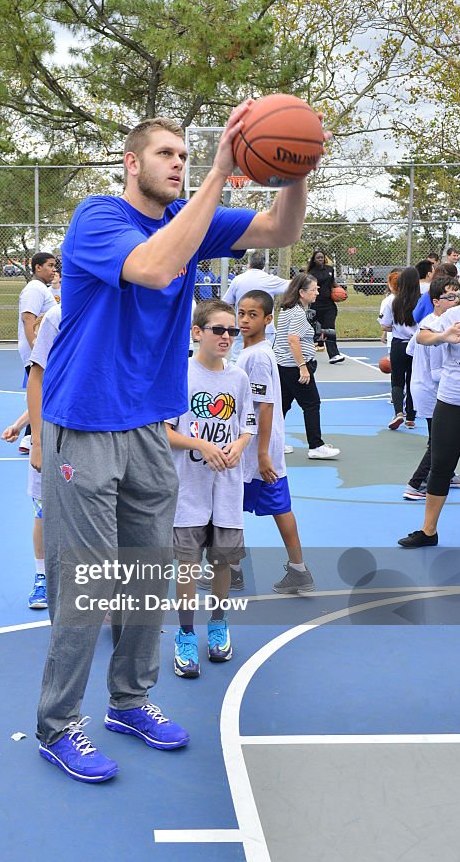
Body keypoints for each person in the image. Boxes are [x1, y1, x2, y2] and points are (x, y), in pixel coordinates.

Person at [35, 105, 325, 783]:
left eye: (187, 156)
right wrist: (221, 172)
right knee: (87, 586)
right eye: (166, 153)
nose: (179, 163)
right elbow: (156, 270)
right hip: (85, 423)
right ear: (132, 164)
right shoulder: (99, 218)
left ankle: (129, 701)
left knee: (144, 578)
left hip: (148, 429)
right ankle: (57, 725)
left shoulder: (187, 221)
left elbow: (282, 226)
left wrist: (299, 166)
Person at [166, 299, 254, 679]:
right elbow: (164, 431)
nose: (227, 337)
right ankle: (185, 633)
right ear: (197, 332)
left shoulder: (238, 379)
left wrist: (239, 445)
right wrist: (201, 445)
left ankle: (218, 623)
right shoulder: (179, 376)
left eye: (232, 331)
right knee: (187, 564)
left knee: (222, 561)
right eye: (219, 330)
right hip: (188, 488)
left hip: (227, 488)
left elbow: (247, 424)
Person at [237, 290, 316, 592]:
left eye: (253, 314)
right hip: (256, 447)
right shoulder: (253, 350)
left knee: (229, 505)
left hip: (255, 449)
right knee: (274, 506)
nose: (245, 319)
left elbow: (264, 405)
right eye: (241, 313)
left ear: (268, 319)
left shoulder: (257, 355)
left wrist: (261, 453)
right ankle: (297, 568)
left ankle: (233, 569)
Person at [397, 291, 460, 547]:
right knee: (440, 468)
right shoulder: (456, 314)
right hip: (453, 403)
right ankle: (428, 532)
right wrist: (442, 336)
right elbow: (422, 336)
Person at [3, 304, 62, 610]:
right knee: (42, 514)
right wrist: (25, 429)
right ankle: (42, 577)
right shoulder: (43, 370)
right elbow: (38, 397)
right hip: (50, 443)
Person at [403, 277, 460, 499]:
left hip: (425, 386)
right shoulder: (446, 328)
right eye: (449, 297)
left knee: (441, 445)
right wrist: (442, 338)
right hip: (436, 391)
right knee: (438, 445)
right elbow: (436, 371)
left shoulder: (432, 322)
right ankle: (416, 484)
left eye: (457, 295)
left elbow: (410, 350)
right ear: (436, 301)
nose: (455, 300)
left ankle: (447, 474)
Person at [273, 273, 340, 460]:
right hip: (294, 367)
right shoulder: (297, 313)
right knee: (311, 404)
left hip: (283, 365)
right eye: (314, 289)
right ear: (302, 292)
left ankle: (273, 442)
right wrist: (302, 366)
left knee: (282, 406)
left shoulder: (288, 309)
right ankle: (315, 445)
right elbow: (292, 339)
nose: (317, 292)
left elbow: (293, 337)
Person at [17, 252, 57, 451]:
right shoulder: (34, 289)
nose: (53, 269)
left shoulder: (43, 289)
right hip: (38, 354)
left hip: (44, 353)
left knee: (43, 394)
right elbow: (28, 319)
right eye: (49, 265)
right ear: (37, 267)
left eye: (54, 265)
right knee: (41, 393)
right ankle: (33, 439)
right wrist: (37, 350)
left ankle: (29, 438)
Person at [222, 249, 289, 361]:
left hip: (242, 325)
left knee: (238, 360)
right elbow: (291, 285)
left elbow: (227, 302)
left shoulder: (238, 280)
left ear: (249, 263)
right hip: (264, 328)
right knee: (263, 359)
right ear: (263, 264)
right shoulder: (270, 280)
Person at [378, 265, 420, 429]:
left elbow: (384, 325)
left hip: (398, 343)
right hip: (416, 344)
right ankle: (411, 416)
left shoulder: (392, 300)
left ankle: (398, 413)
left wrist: (395, 326)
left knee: (397, 380)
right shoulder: (422, 300)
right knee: (413, 380)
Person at [306, 248, 345, 363]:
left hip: (329, 305)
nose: (320, 260)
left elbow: (332, 282)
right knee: (314, 331)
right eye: (318, 258)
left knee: (330, 329)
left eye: (322, 258)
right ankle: (307, 354)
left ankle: (334, 355)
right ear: (314, 260)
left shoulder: (330, 269)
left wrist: (340, 290)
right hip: (315, 305)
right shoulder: (311, 273)